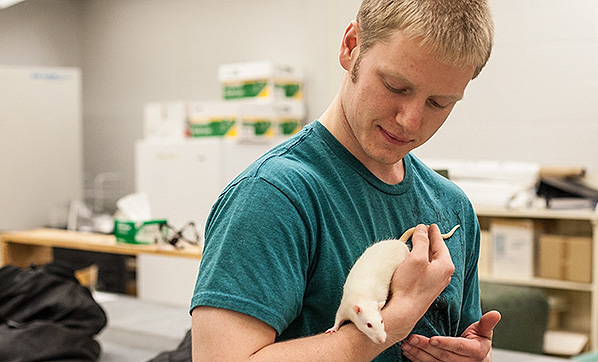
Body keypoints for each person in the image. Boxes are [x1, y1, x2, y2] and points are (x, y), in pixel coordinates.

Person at [190, 0, 501, 361]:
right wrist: (388, 326)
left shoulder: (452, 207)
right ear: (351, 46)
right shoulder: (273, 196)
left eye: (438, 103)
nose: (410, 121)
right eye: (396, 86)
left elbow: (467, 342)